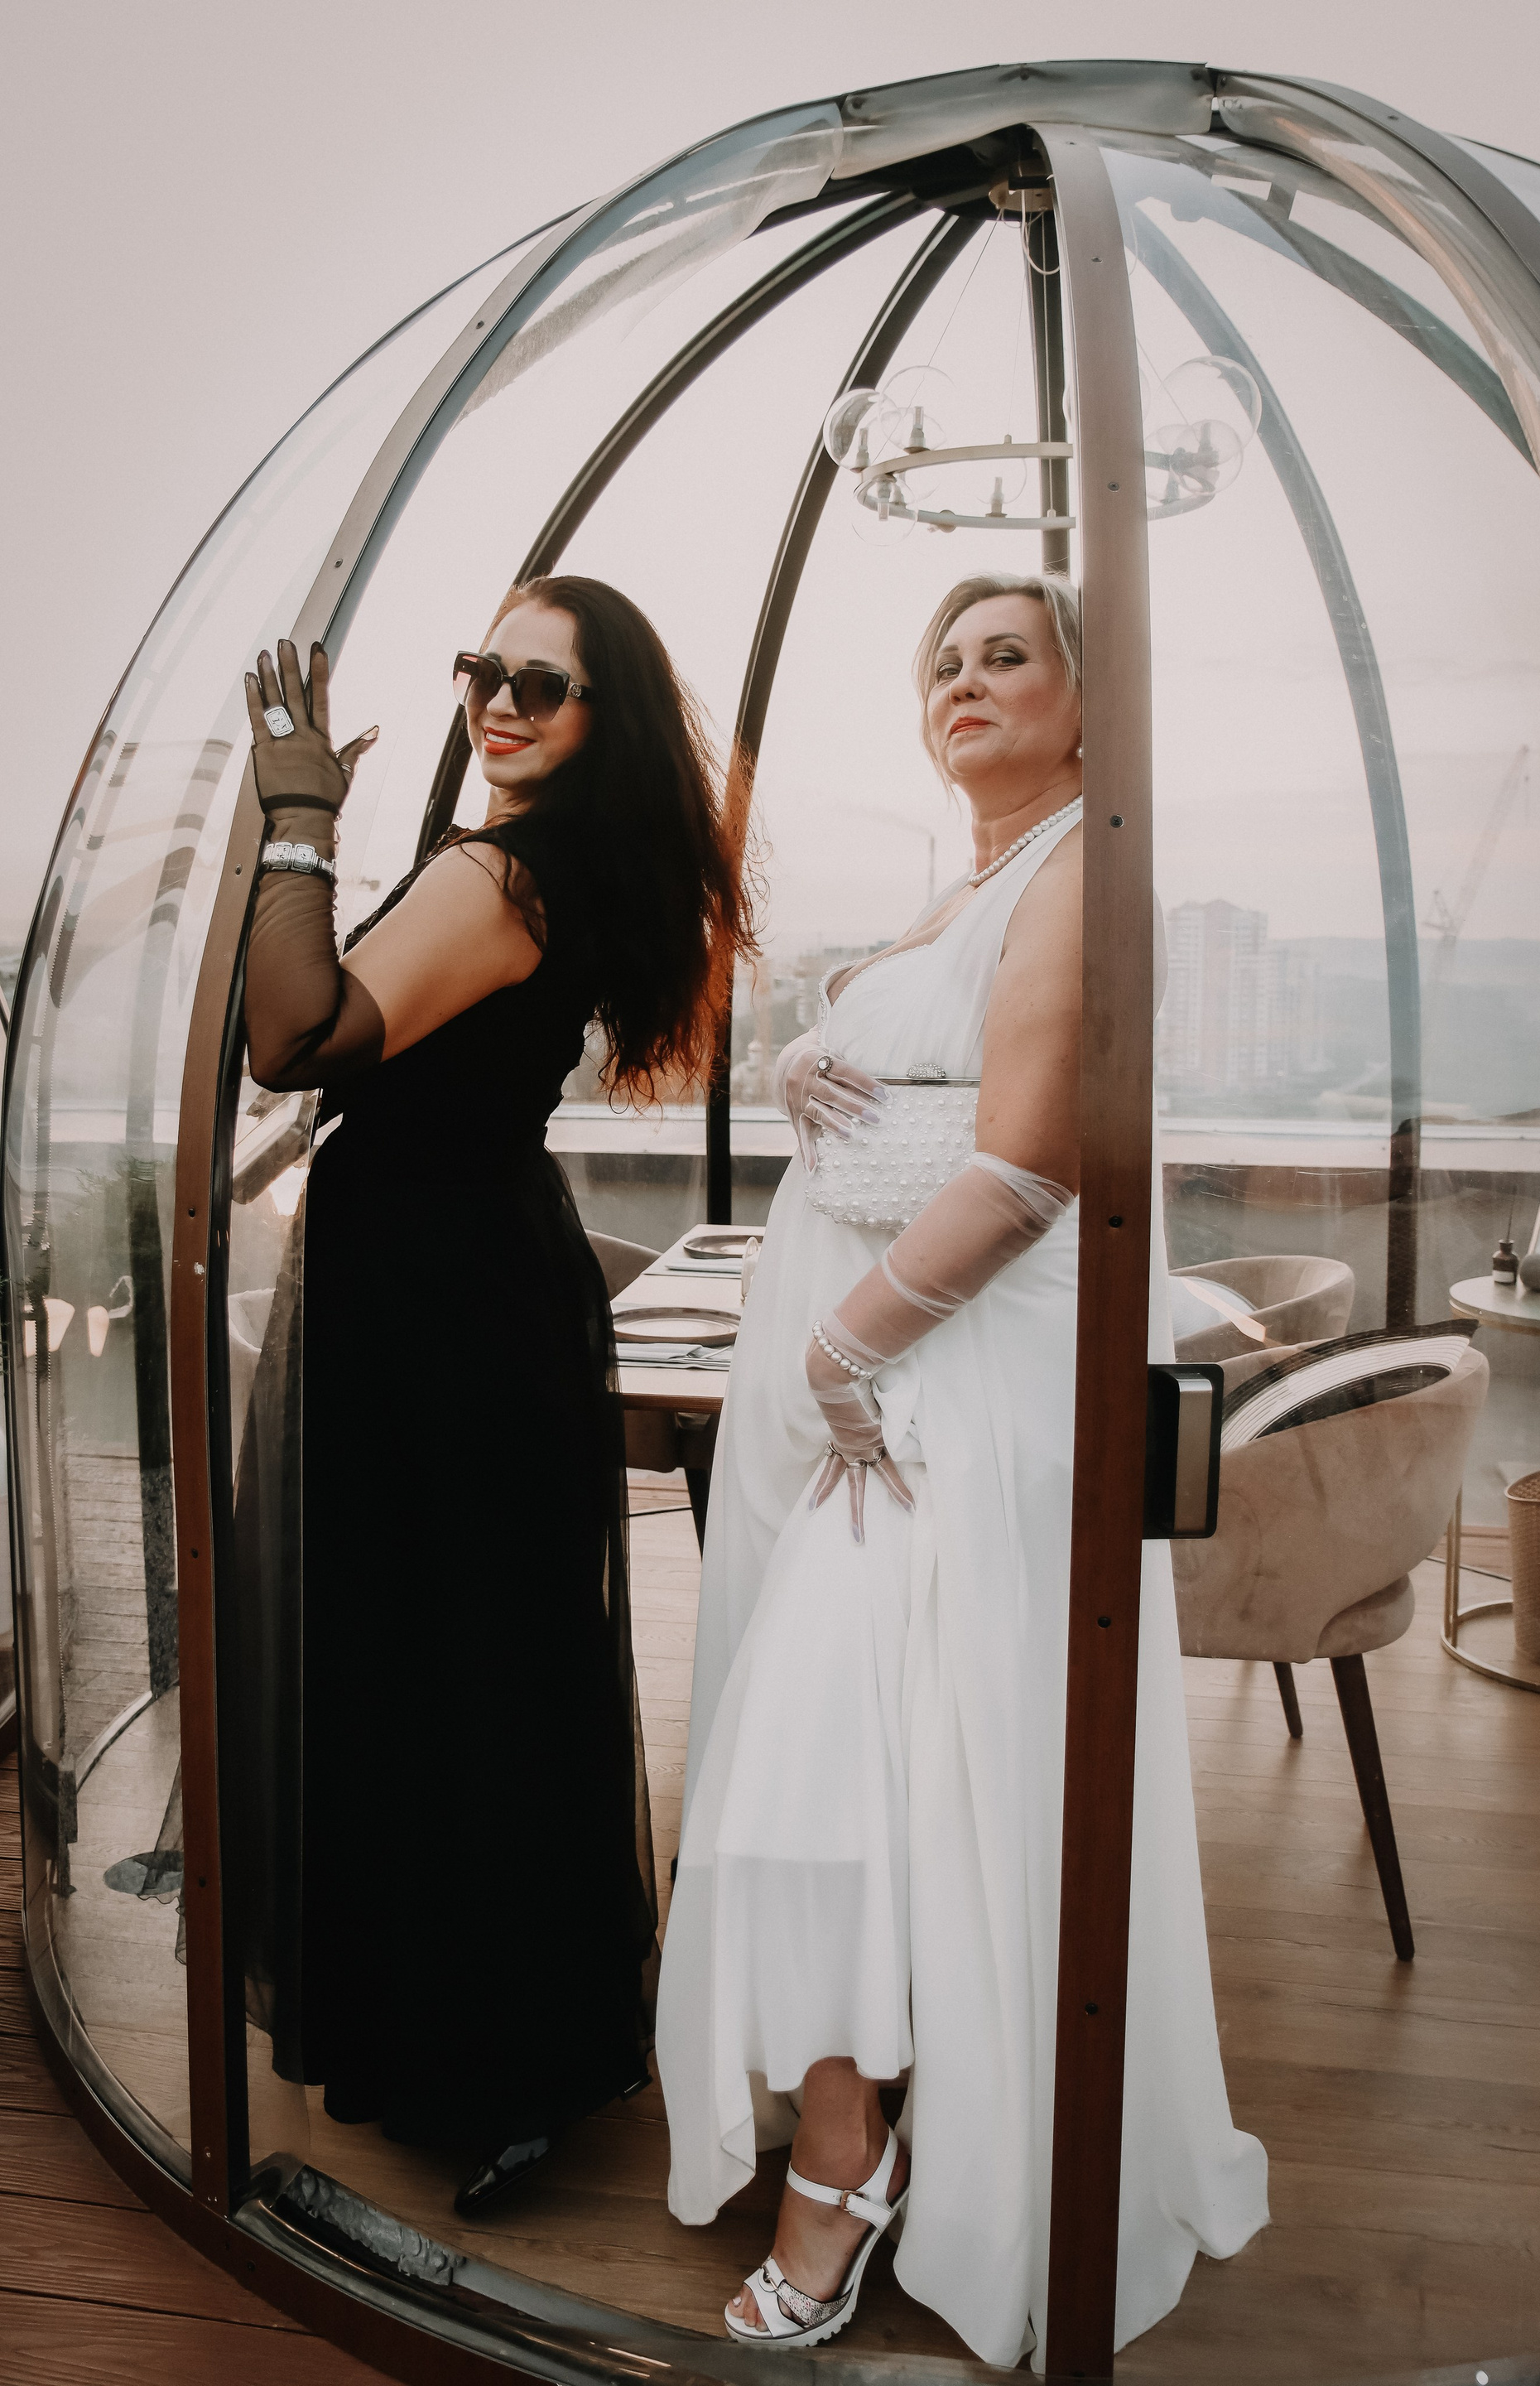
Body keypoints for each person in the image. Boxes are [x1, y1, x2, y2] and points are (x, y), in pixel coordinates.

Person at [654, 573, 1268, 2364]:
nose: (966, 680)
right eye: (944, 660)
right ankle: (880, 2113)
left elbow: (1028, 1167)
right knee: (885, 1773)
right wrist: (813, 1057)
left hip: (949, 1397)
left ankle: (853, 2157)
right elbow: (926, 1068)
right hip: (891, 1381)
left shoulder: (1085, 867)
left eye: (1010, 654)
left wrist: (843, 1349)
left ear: (1086, 701)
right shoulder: (987, 876)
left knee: (843, 1771)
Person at [241, 575, 749, 2213]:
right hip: (469, 1286)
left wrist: (299, 825)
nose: (500, 702)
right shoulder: (553, 867)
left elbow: (290, 1035)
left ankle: (495, 2059)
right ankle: (502, 2053)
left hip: (437, 1303)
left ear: (602, 721)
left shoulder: (501, 872)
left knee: (443, 1669)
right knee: (483, 1667)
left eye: (544, 684)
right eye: (486, 670)